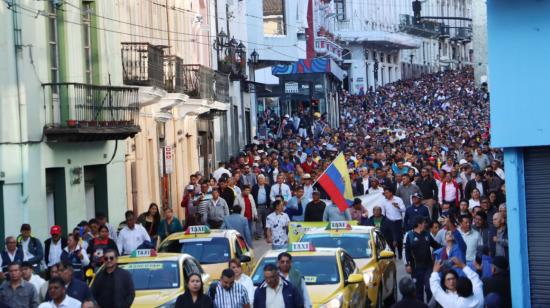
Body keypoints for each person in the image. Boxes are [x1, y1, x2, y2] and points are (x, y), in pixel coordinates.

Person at [404, 217, 442, 303]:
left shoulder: (427, 234)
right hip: (416, 268)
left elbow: (436, 245)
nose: (426, 225)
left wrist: (446, 248)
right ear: (419, 224)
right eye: (424, 223)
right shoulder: (409, 235)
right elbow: (406, 251)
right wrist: (407, 265)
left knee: (429, 288)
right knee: (418, 291)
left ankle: (429, 305)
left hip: (428, 266)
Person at [381, 186, 406, 258]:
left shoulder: (398, 199)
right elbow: (383, 212)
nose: (385, 194)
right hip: (389, 222)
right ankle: (393, 254)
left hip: (397, 221)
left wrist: (397, 207)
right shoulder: (384, 201)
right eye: (384, 193)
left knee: (399, 238)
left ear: (391, 193)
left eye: (387, 193)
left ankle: (400, 254)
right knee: (390, 238)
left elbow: (404, 209)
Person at [252, 174, 272, 239]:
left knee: (265, 221)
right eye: (259, 179)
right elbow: (252, 197)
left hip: (266, 206)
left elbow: (270, 196)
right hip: (257, 206)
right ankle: (259, 234)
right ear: (257, 180)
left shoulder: (268, 187)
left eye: (262, 179)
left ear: (264, 180)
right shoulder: (254, 187)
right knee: (258, 220)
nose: (261, 180)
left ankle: (266, 233)